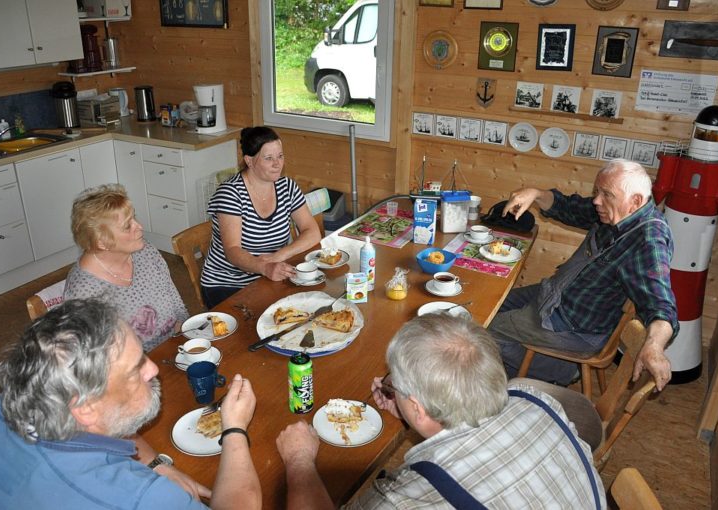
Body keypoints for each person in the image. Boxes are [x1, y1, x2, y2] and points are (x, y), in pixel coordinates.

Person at [276, 314, 605, 509]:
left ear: (418, 407)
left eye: (394, 381)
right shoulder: (534, 397)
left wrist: (299, 461)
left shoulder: (408, 498)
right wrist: (410, 412)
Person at [0, 299, 260, 510]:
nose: (153, 369)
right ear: (86, 407)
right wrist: (233, 428)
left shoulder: (14, 398)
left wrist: (156, 464)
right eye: (135, 370)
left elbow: (111, 417)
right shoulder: (138, 496)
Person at [489, 159, 678, 390]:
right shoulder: (615, 210)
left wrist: (655, 346)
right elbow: (569, 207)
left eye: (606, 194)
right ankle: (522, 367)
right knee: (490, 303)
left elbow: (661, 305)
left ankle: (559, 369)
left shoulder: (648, 240)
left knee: (483, 331)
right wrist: (536, 194)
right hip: (557, 293)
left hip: (573, 324)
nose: (597, 200)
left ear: (635, 201)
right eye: (597, 192)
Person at [200, 126, 322, 308]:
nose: (277, 164)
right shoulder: (230, 194)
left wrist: (278, 256)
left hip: (271, 274)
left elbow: (312, 232)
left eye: (280, 156)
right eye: (268, 158)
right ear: (249, 161)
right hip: (228, 283)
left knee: (309, 306)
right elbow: (233, 250)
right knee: (275, 322)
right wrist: (264, 267)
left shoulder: (286, 186)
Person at [64, 184, 188, 351]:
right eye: (127, 226)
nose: (139, 226)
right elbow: (98, 361)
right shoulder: (84, 293)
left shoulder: (146, 252)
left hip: (176, 347)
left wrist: (187, 331)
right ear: (101, 242)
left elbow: (177, 306)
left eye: (134, 217)